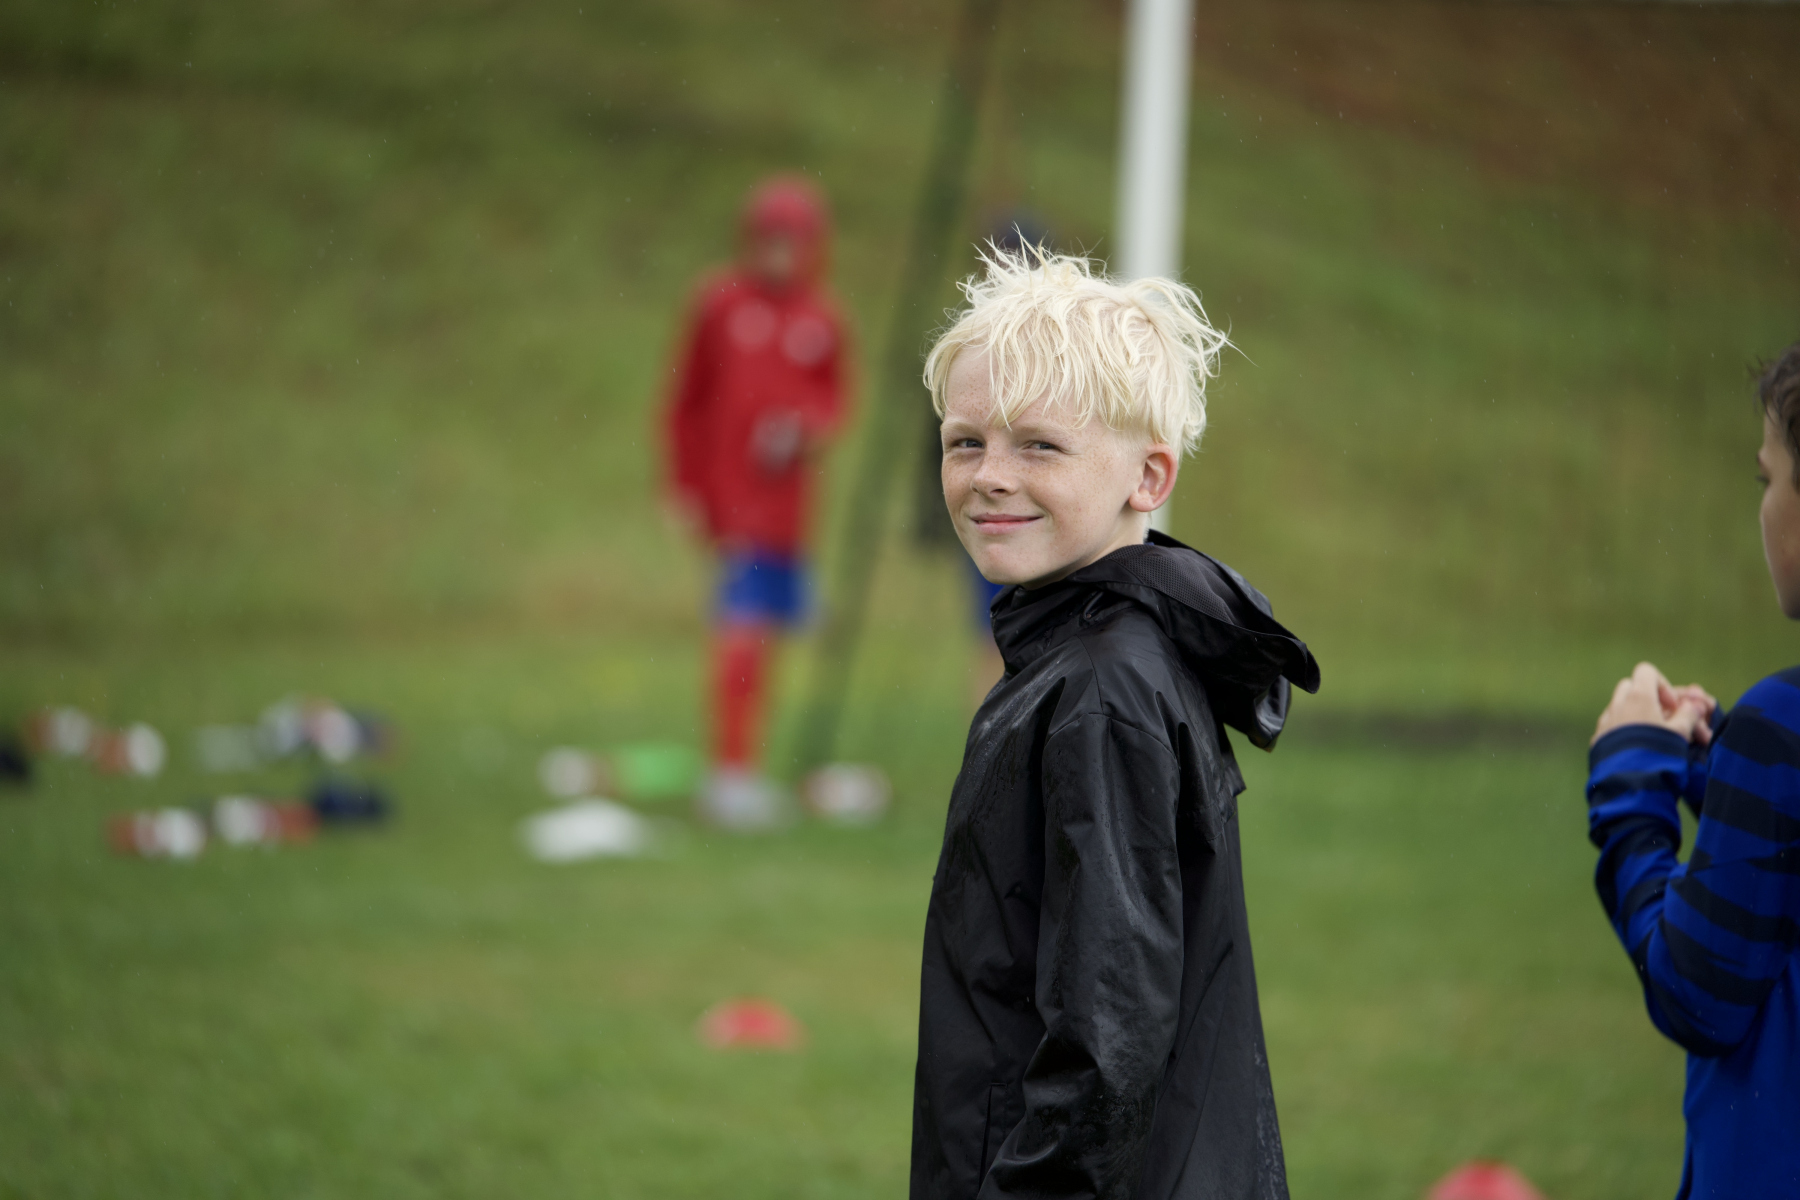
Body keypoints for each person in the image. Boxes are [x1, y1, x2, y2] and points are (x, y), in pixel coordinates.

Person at [909, 247, 1319, 1199]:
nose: (990, 476)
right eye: (965, 442)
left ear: (1149, 476)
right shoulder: (1077, 657)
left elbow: (1107, 1037)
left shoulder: (1104, 691)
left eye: (1039, 447)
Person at [1585, 341, 1800, 1199]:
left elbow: (1697, 991)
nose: (1764, 507)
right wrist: (1718, 773)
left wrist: (1631, 786)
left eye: (1768, 478)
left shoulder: (1783, 723)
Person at [662, 177, 850, 826]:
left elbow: (834, 399)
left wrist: (808, 428)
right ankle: (730, 772)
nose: (780, 257)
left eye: (792, 244)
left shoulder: (822, 318)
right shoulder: (719, 304)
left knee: (771, 635)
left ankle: (747, 765)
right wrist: (684, 485)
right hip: (733, 502)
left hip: (790, 511)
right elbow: (686, 400)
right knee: (740, 631)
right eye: (769, 242)